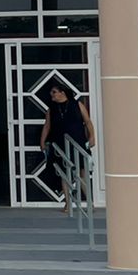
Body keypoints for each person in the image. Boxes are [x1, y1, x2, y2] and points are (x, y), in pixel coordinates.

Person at [39, 81, 96, 213]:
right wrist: (42, 142)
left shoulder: (77, 105)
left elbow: (87, 121)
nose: (51, 94)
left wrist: (92, 137)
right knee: (64, 174)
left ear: (62, 92)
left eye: (54, 92)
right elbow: (47, 126)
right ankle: (68, 204)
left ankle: (90, 202)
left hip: (77, 143)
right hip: (60, 144)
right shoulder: (51, 109)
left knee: (82, 173)